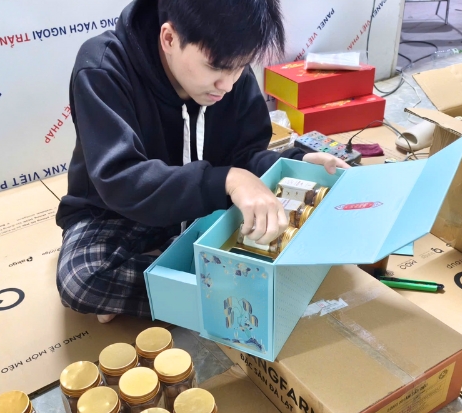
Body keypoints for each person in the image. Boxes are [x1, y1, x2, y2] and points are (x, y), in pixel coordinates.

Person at [55, 0, 348, 323]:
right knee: (81, 278)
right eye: (215, 67)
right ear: (169, 38)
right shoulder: (103, 67)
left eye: (240, 67)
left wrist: (296, 162)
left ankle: (191, 286)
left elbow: (245, 156)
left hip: (202, 205)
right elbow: (122, 180)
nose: (228, 84)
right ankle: (238, 295)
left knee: (280, 218)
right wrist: (226, 180)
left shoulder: (230, 68)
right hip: (118, 210)